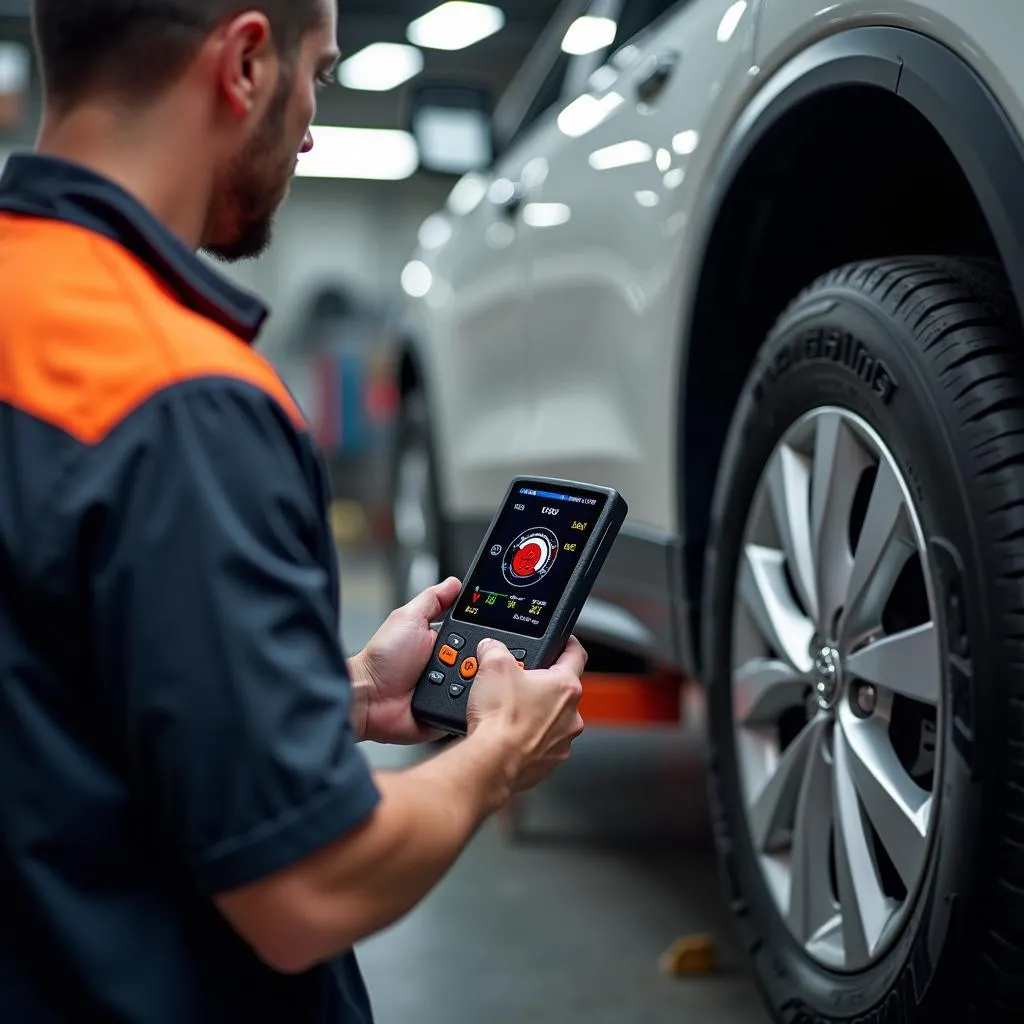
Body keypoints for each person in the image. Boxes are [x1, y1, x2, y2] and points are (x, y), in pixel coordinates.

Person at [0, 1, 588, 1021]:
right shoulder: (179, 396)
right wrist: (497, 749)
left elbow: (58, 694)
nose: (312, 122)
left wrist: (347, 692)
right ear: (245, 61)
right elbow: (307, 887)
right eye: (316, 74)